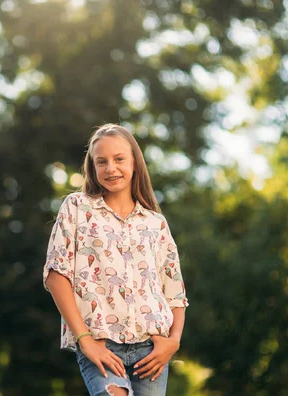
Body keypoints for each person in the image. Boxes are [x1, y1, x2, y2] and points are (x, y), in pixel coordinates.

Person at [43, 123, 189, 396]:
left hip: (151, 351)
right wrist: (84, 339)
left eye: (119, 159)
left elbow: (175, 293)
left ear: (135, 162)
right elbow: (56, 275)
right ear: (93, 168)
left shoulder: (155, 223)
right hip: (101, 345)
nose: (111, 168)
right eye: (102, 162)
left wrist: (174, 342)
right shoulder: (77, 208)